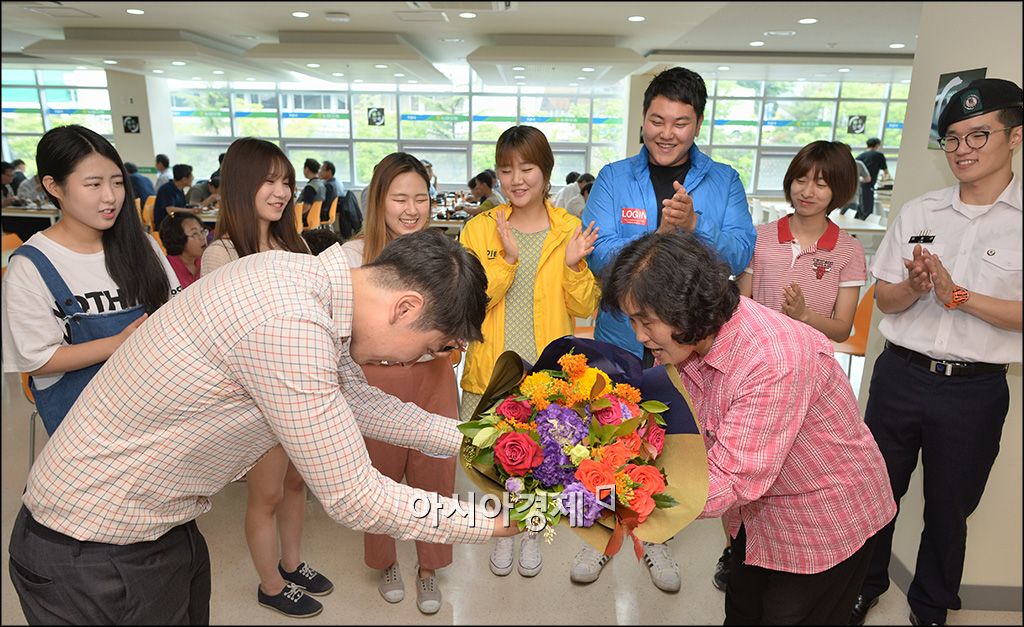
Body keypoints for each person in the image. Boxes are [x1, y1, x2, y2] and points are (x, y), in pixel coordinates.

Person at [7, 226, 519, 624]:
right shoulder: (290, 324)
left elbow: (358, 401)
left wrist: (480, 441)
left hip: (155, 523)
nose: (411, 362)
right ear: (405, 307)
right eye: (430, 347)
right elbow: (354, 496)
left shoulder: (301, 282)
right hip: (92, 545)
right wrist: (495, 520)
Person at [603, 230, 896, 624]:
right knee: (743, 612)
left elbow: (730, 477)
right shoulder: (684, 342)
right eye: (632, 320)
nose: (639, 335)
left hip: (822, 521)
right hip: (755, 517)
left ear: (685, 308)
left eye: (646, 321)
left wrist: (617, 499)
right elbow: (671, 425)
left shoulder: (772, 358)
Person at [850, 78, 1023, 627]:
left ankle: (929, 607)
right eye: (952, 138)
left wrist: (959, 296)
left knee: (950, 509)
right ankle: (862, 589)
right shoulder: (920, 212)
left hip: (975, 390)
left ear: (1015, 136)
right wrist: (915, 287)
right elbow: (885, 300)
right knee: (876, 494)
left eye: (978, 135)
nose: (962, 149)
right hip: (901, 376)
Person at [576, 65, 756, 592]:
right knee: (609, 435)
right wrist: (658, 236)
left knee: (672, 440)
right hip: (621, 337)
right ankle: (600, 535)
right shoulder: (614, 178)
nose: (666, 133)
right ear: (643, 118)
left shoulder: (723, 180)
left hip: (688, 345)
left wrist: (694, 228)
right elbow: (597, 254)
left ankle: (658, 537)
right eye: (657, 120)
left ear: (697, 124)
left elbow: (740, 253)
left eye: (680, 122)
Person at [459, 125, 600, 582]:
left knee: (543, 459)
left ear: (546, 171)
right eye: (506, 170)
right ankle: (503, 531)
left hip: (547, 373)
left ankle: (533, 529)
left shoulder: (568, 229)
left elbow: (584, 306)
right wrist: (506, 259)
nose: (516, 180)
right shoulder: (480, 228)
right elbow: (470, 303)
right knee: (493, 460)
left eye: (527, 168)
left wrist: (574, 266)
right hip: (492, 369)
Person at [200, 137, 334, 618]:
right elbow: (223, 336)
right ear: (241, 184)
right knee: (266, 494)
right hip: (254, 400)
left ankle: (291, 562)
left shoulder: (294, 245)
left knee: (297, 483)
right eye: (269, 181)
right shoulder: (222, 254)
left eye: (286, 183)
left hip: (299, 391)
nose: (281, 192)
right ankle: (271, 584)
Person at [1, 124, 179, 437]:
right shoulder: (31, 266)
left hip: (160, 407)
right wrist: (117, 344)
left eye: (117, 182)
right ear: (53, 186)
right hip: (86, 426)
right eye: (93, 184)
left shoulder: (142, 244)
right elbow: (37, 360)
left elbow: (175, 312)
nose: (110, 197)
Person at [341, 152, 460, 615]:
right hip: (373, 382)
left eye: (421, 198)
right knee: (378, 476)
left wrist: (452, 342)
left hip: (433, 377)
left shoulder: (443, 255)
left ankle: (429, 566)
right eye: (399, 198)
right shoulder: (353, 257)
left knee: (435, 475)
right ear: (378, 200)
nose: (412, 209)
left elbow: (457, 322)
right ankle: (385, 560)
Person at [738, 140, 865, 343]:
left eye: (821, 185)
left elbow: (842, 330)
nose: (807, 192)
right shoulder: (759, 237)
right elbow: (739, 305)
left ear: (839, 189)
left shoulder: (848, 250)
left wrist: (804, 315)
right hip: (756, 351)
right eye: (800, 180)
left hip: (809, 357)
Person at [159, 213, 207, 290]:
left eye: (202, 231)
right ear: (178, 239)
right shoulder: (166, 270)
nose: (202, 237)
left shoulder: (206, 261)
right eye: (194, 234)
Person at [854, 138, 891, 220]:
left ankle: (858, 221)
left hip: (858, 184)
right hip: (869, 184)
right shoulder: (879, 155)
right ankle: (865, 224)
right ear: (877, 145)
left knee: (859, 205)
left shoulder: (861, 155)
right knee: (867, 207)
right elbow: (885, 172)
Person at [153, 163, 193, 230]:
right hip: (166, 226)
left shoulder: (180, 189)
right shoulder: (166, 189)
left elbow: (182, 207)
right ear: (184, 179)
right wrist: (191, 211)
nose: (193, 178)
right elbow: (170, 210)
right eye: (191, 176)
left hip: (176, 222)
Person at [298, 158, 325, 227]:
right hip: (315, 218)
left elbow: (305, 208)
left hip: (305, 219)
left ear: (306, 169)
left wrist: (293, 214)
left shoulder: (310, 187)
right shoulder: (320, 183)